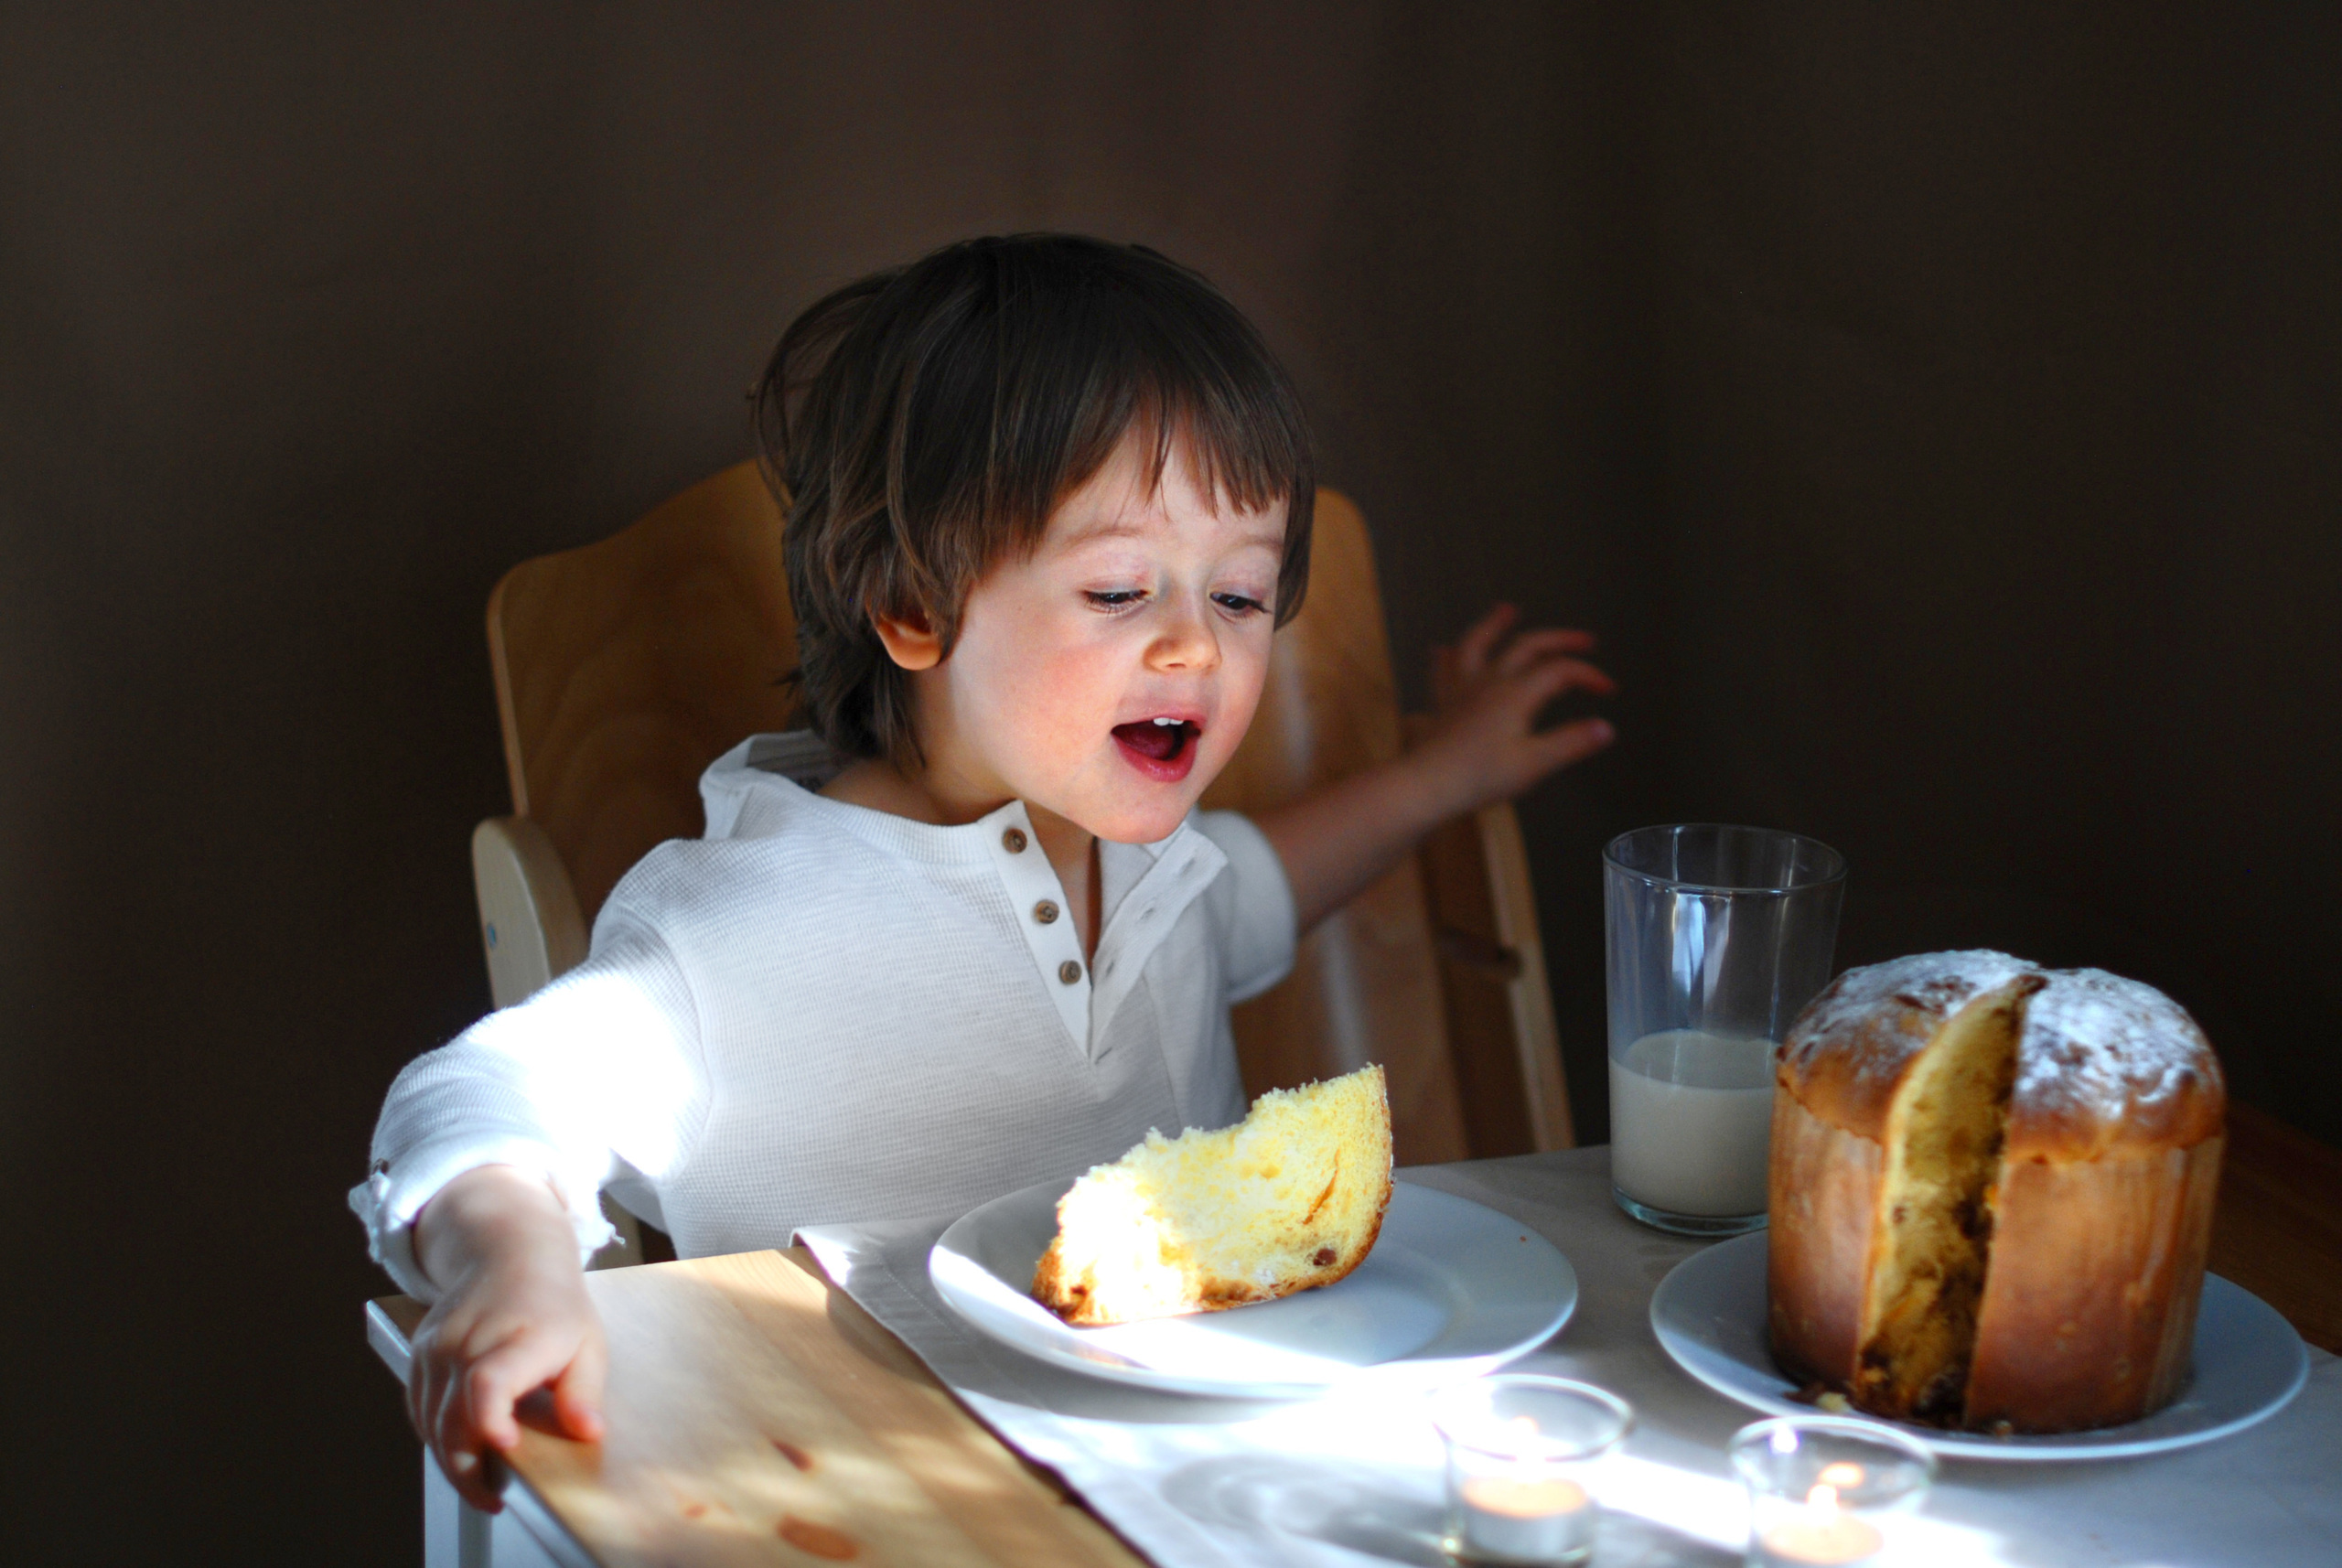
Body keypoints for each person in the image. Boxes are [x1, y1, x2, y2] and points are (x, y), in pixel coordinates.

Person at [352, 234, 1616, 1510]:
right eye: (1120, 587)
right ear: (912, 606)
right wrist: (512, 1263)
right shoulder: (746, 922)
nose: (1194, 645)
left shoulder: (1158, 874)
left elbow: (1266, 884)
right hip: (860, 1500)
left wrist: (1446, 772)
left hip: (1191, 1486)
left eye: (1239, 595)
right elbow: (478, 1092)